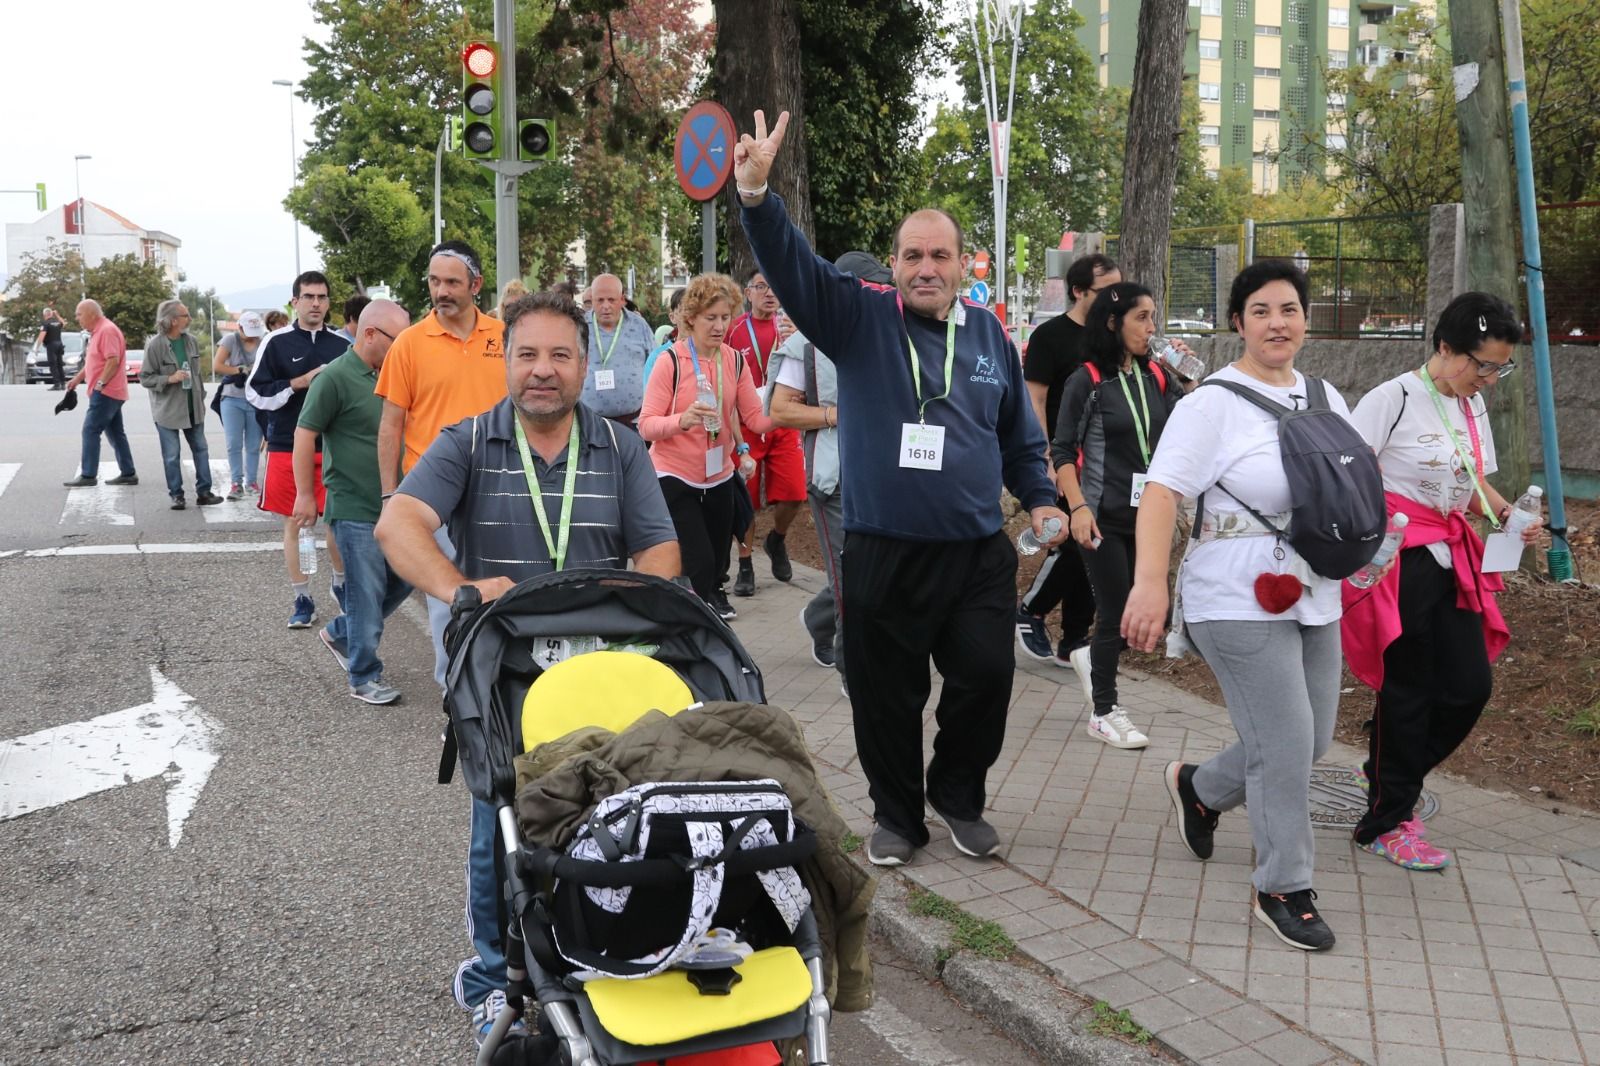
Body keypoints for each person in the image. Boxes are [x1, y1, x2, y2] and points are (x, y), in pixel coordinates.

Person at [735, 109, 1066, 867]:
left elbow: (1018, 437)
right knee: (886, 694)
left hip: (976, 552)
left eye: (940, 255)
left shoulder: (989, 336)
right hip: (881, 548)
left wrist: (1042, 498)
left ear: (962, 264)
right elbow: (794, 268)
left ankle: (956, 794)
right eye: (913, 254)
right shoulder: (857, 318)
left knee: (985, 674)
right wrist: (758, 196)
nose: (926, 267)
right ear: (894, 263)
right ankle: (896, 815)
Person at [375, 290, 679, 1045]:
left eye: (560, 355)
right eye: (527, 354)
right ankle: (490, 977)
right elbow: (398, 523)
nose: (543, 371)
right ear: (505, 361)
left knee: (611, 816)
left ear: (583, 364)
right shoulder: (469, 441)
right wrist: (460, 590)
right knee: (500, 828)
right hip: (505, 677)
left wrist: (632, 604)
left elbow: (661, 553)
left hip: (603, 674)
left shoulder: (620, 447)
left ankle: (598, 945)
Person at [1124, 260, 1352, 952]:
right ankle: (1283, 884)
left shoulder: (1325, 396)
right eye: (1260, 311)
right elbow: (1162, 494)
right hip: (1234, 592)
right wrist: (1150, 582)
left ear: (1306, 320)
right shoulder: (1211, 403)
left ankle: (1200, 787)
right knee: (1283, 744)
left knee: (1309, 740)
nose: (1276, 322)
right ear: (1238, 323)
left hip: (1314, 588)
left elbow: (1349, 485)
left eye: (1288, 309)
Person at [1341, 292, 1538, 871]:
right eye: (1483, 364)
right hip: (1400, 557)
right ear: (1447, 348)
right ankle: (1386, 821)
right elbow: (1344, 472)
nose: (1491, 379)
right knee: (1409, 690)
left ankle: (1385, 771)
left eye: (1501, 367)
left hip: (1454, 555)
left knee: (1469, 686)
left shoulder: (1471, 404)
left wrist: (1505, 515)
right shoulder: (1393, 398)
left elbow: (1471, 476)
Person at [1051, 282, 1188, 748]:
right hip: (1102, 517)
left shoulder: (1157, 377)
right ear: (1113, 323)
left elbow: (1183, 431)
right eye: (1143, 318)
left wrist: (1187, 382)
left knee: (1149, 618)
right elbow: (1062, 451)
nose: (1152, 328)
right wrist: (1078, 508)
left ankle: (1091, 657)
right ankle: (1105, 711)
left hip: (1148, 519)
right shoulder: (1086, 380)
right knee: (1115, 613)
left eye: (1154, 318)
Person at [375, 239, 507, 690]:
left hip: (500, 488)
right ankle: (455, 693)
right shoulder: (409, 344)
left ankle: (499, 684)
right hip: (434, 496)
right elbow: (391, 425)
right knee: (445, 598)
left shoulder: (505, 336)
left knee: (501, 588)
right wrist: (392, 496)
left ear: (476, 284)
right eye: (435, 281)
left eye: (452, 281)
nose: (441, 291)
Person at [767, 250, 883, 688]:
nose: (880, 292)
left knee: (869, 569)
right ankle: (851, 670)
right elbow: (780, 410)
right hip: (833, 479)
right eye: (871, 286)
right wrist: (835, 416)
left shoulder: (887, 334)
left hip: (881, 477)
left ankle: (818, 619)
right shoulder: (805, 344)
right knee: (850, 575)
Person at [293, 300, 414, 705]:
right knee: (366, 589)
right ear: (369, 334)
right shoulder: (336, 378)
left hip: (396, 504)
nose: (404, 348)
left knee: (410, 574)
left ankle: (343, 632)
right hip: (353, 505)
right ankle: (363, 676)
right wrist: (306, 495)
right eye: (398, 341)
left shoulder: (394, 375)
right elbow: (304, 434)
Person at [638, 273, 774, 621]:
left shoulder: (734, 359)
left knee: (714, 565)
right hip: (674, 476)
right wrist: (681, 420)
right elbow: (646, 424)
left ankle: (692, 613)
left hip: (718, 475)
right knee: (697, 561)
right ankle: (691, 634)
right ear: (691, 317)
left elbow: (756, 419)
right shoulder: (670, 361)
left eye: (725, 317)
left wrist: (792, 411)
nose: (719, 326)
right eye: (710, 317)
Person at [1017, 254, 1119, 683]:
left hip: (1106, 462)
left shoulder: (1113, 338)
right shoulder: (1051, 336)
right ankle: (1031, 611)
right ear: (1079, 292)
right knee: (1077, 542)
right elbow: (1035, 397)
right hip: (1063, 459)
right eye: (1106, 292)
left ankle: (1073, 642)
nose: (1116, 299)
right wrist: (1042, 452)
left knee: (1095, 546)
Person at [246, 271, 350, 628]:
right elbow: (255, 393)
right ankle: (302, 598)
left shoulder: (342, 345)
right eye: (308, 297)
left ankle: (341, 587)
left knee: (338, 523)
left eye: (322, 297)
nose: (316, 304)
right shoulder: (275, 342)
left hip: (333, 448)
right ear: (295, 302)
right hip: (287, 447)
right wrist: (299, 383)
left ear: (329, 302)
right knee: (296, 524)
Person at [728, 269, 806, 595]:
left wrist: (798, 339)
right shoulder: (734, 331)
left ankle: (777, 539)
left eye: (774, 286)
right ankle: (745, 564)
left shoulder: (792, 326)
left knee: (794, 493)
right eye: (761, 287)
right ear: (748, 293)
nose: (769, 293)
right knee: (744, 498)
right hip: (746, 424)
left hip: (782, 421)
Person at [140, 300, 223, 510]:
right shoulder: (155, 346)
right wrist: (169, 378)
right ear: (173, 320)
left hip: (193, 406)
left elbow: (196, 374)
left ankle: (204, 492)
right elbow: (145, 378)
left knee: (201, 449)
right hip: (167, 410)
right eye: (186, 315)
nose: (190, 319)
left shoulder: (191, 341)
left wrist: (201, 396)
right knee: (171, 455)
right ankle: (177, 495)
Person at [62, 300, 138, 488]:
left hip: (106, 391)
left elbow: (113, 361)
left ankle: (88, 475)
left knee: (90, 430)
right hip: (109, 390)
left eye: (79, 314)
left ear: (91, 314)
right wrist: (77, 379)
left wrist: (101, 383)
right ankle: (128, 472)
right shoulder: (98, 332)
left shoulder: (107, 330)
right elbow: (93, 362)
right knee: (115, 433)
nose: (77, 318)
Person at [578, 272, 657, 428]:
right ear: (592, 301)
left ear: (622, 299)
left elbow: (655, 366)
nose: (605, 306)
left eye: (611, 300)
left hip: (633, 422)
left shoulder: (639, 326)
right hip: (588, 423)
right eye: (600, 300)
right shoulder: (578, 326)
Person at [212, 311, 268, 499]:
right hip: (232, 398)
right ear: (240, 327)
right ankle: (236, 483)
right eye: (248, 331)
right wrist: (240, 370)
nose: (252, 335)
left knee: (253, 445)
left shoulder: (264, 341)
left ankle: (251, 482)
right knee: (233, 443)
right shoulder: (230, 340)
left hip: (256, 399)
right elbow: (217, 365)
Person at [36, 307, 68, 390]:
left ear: (44, 315)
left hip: (51, 345)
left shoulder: (46, 324)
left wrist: (37, 347)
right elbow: (64, 323)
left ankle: (57, 384)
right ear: (51, 314)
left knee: (53, 365)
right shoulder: (57, 322)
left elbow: (41, 336)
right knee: (59, 364)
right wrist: (57, 315)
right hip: (59, 345)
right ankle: (63, 384)